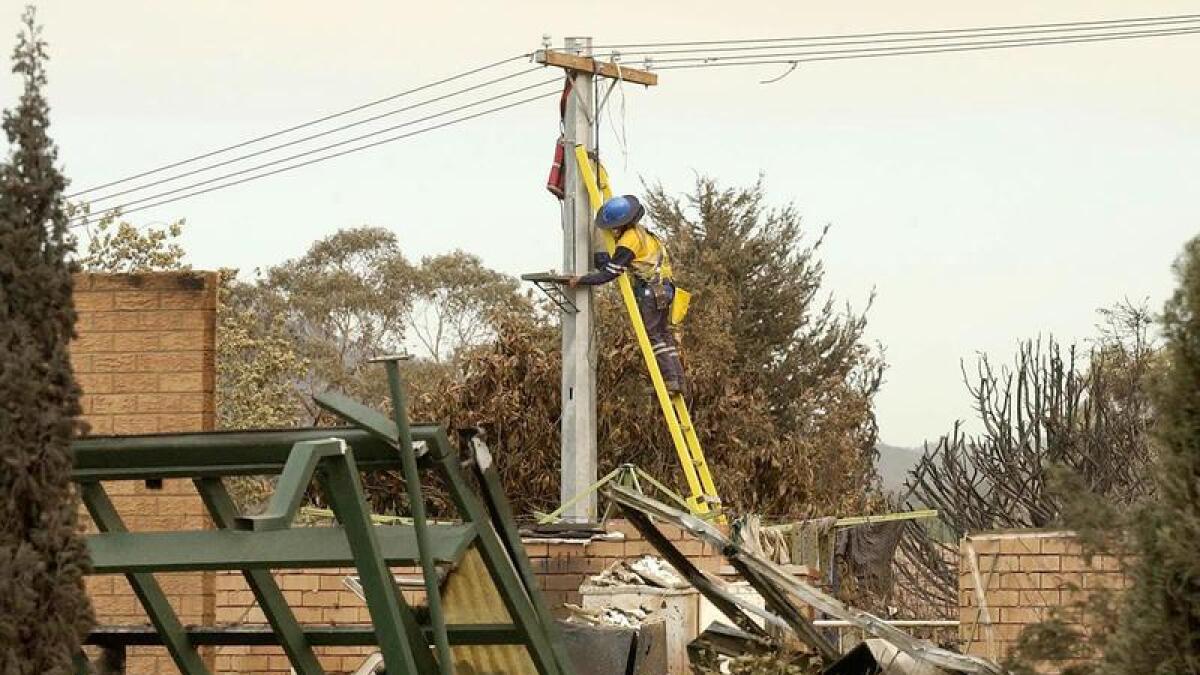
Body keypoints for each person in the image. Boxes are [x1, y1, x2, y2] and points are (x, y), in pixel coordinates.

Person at [564, 194, 687, 394]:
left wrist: (580, 280)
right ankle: (678, 381)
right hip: (665, 288)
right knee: (664, 335)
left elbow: (609, 274)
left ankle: (670, 381)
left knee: (653, 336)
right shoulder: (644, 234)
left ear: (617, 225)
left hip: (651, 292)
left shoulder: (628, 242)